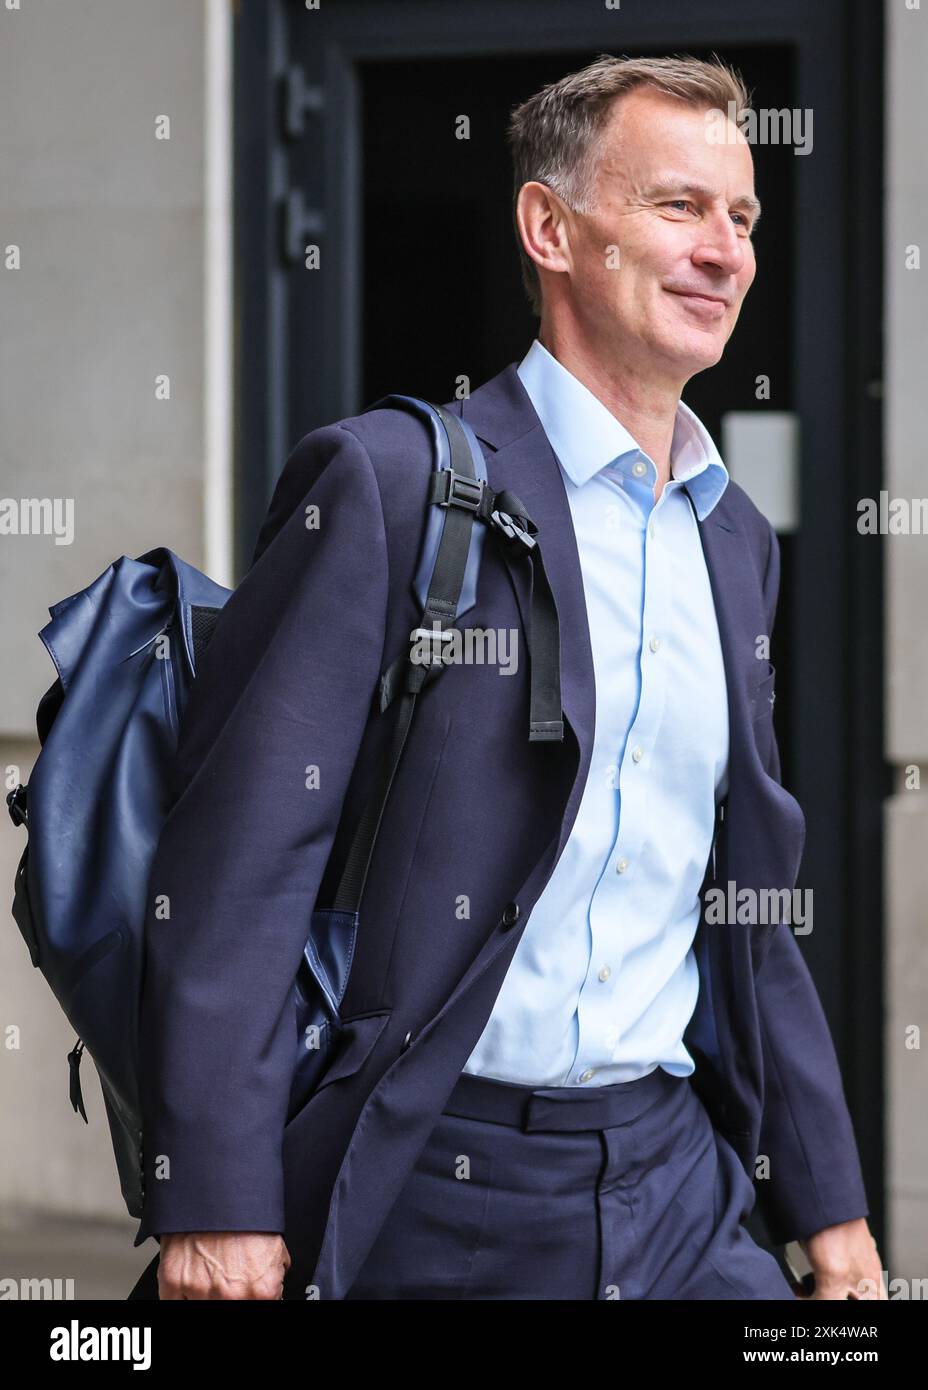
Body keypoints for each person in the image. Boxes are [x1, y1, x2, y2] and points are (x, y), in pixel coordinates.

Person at [130, 54, 880, 1301]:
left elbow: (747, 896)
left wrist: (827, 1201)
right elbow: (237, 857)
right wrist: (214, 1192)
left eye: (741, 216)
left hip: (675, 1183)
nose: (726, 251)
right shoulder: (388, 484)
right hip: (436, 1178)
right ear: (549, 228)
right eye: (678, 207)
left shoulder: (733, 538)